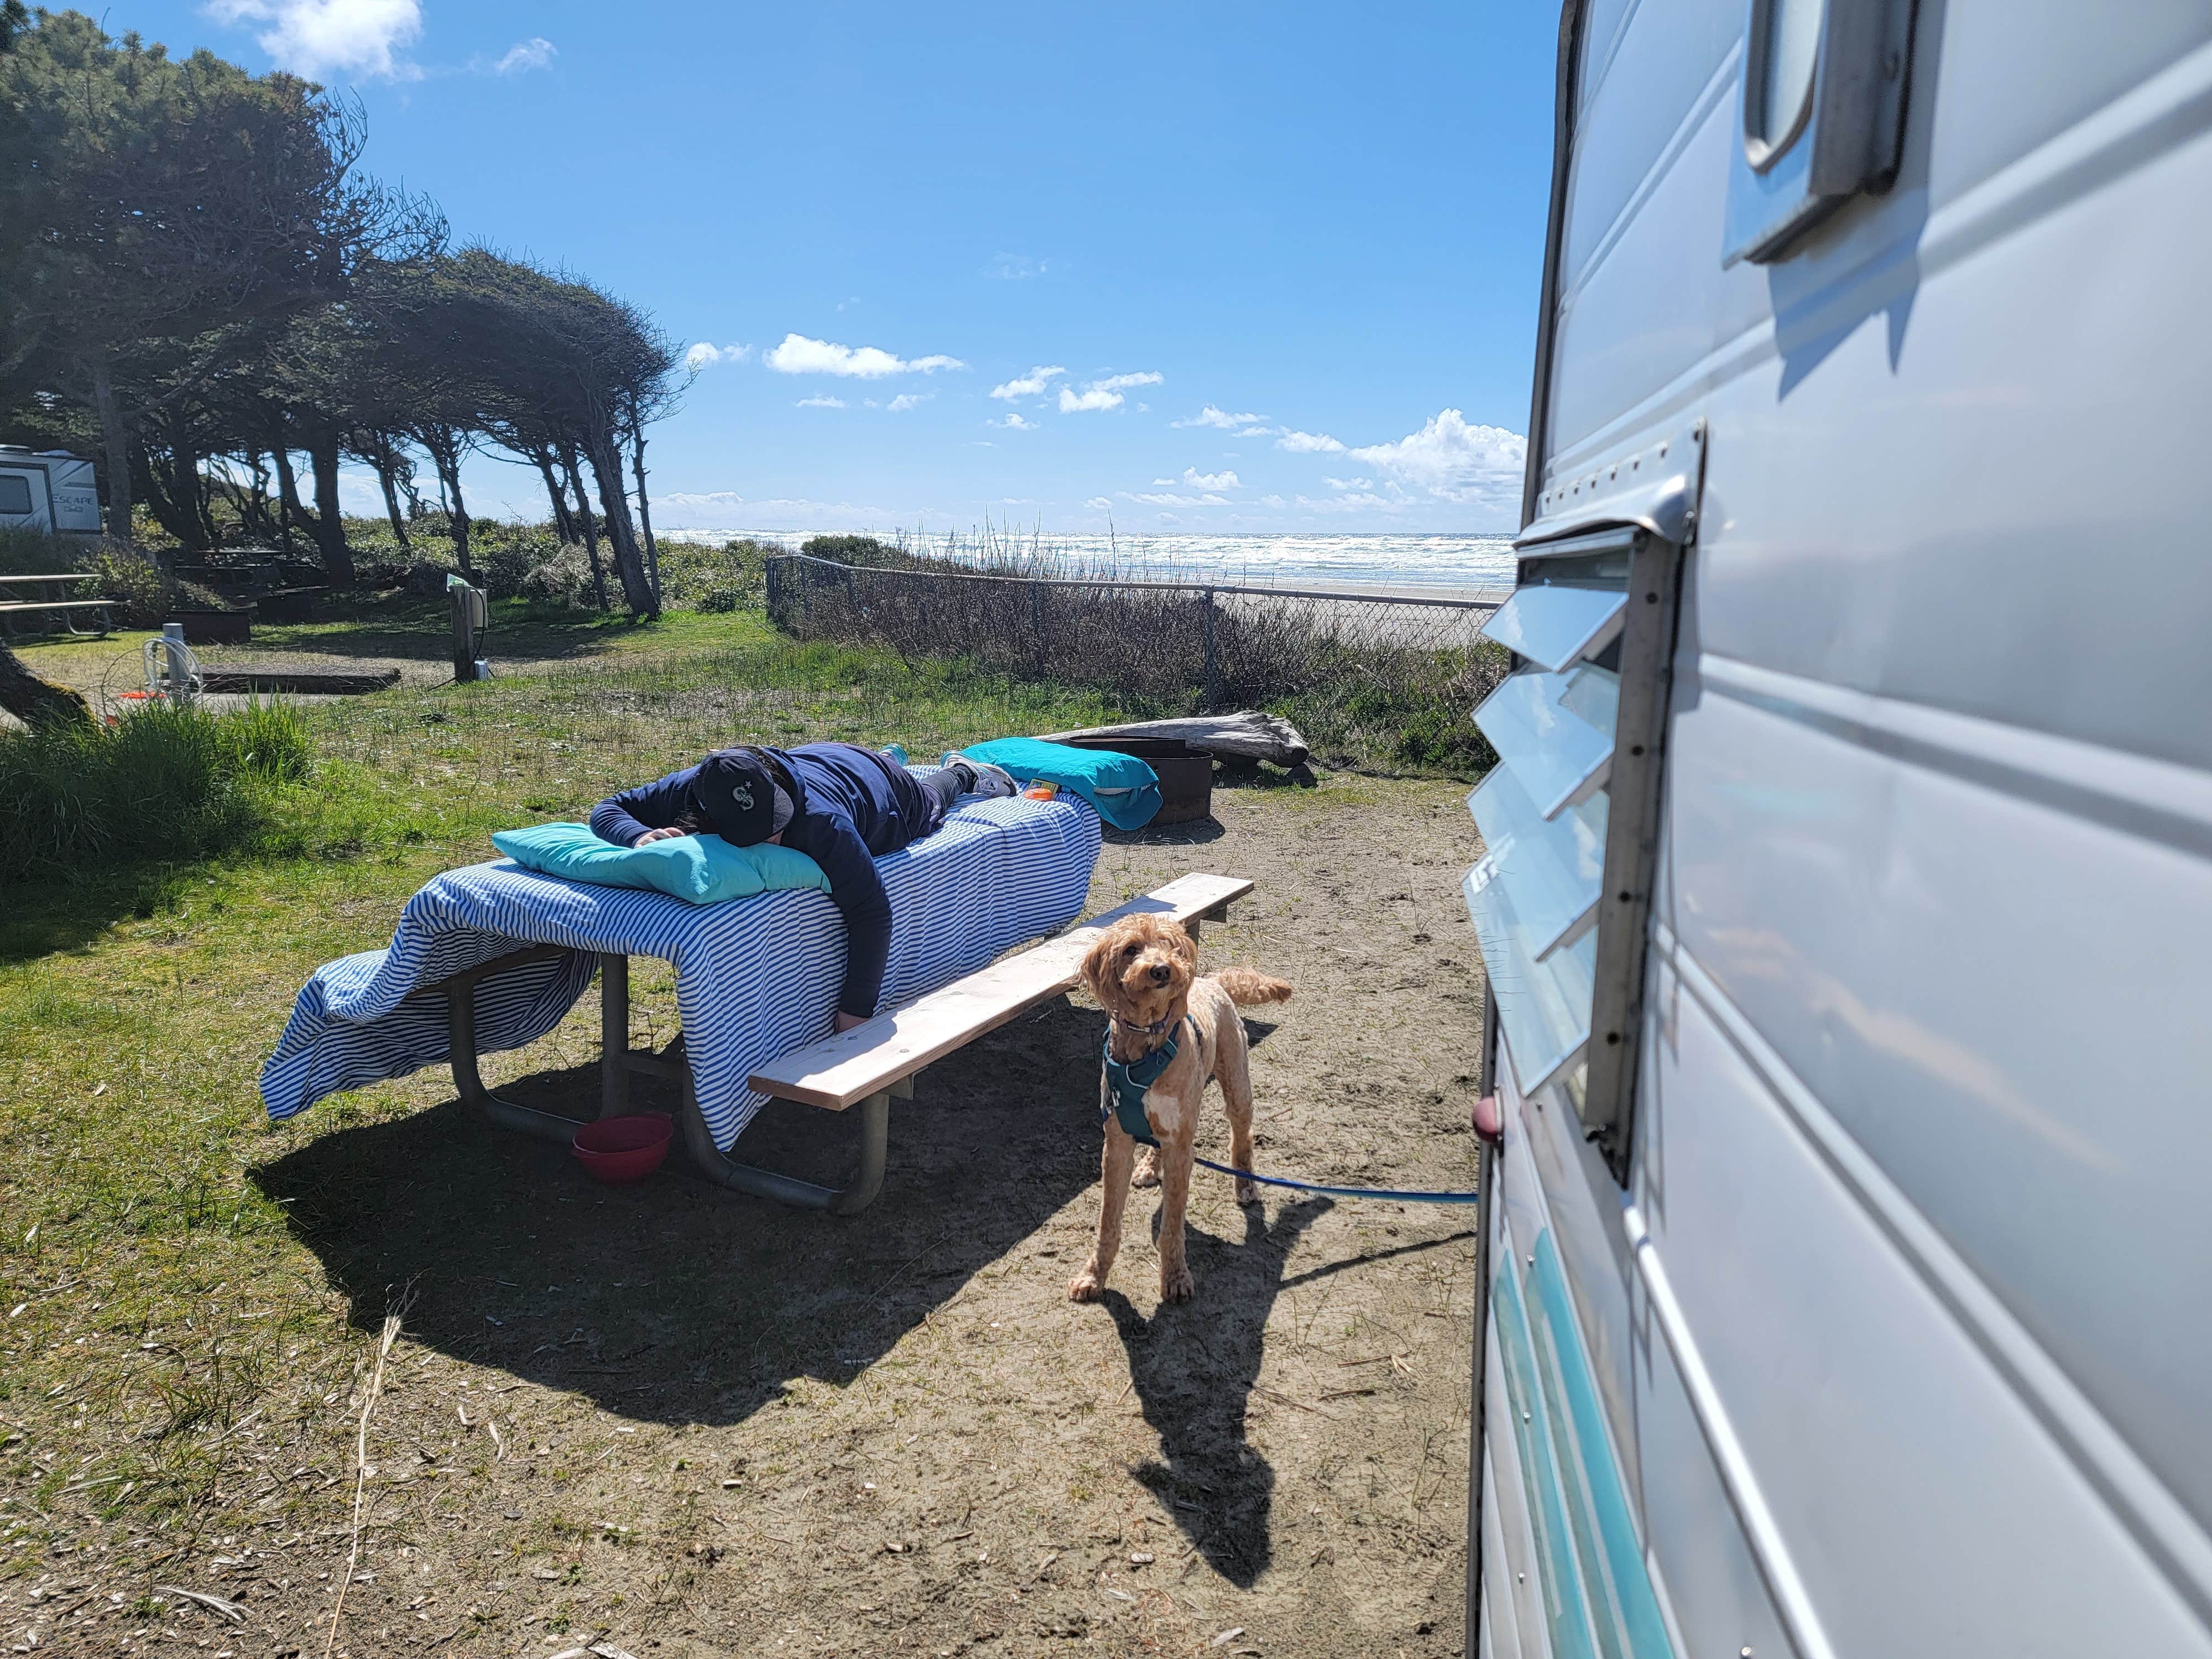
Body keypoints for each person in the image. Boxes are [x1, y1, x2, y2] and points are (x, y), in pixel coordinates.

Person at [590, 744, 1019, 1032]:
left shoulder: (823, 823)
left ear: (773, 783)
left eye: (777, 820)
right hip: (828, 757)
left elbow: (871, 911)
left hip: (886, 795)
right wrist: (637, 836)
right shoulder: (697, 785)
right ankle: (885, 756)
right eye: (756, 831)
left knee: (929, 802)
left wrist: (855, 1012)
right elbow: (610, 808)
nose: (774, 836)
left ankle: (961, 772)